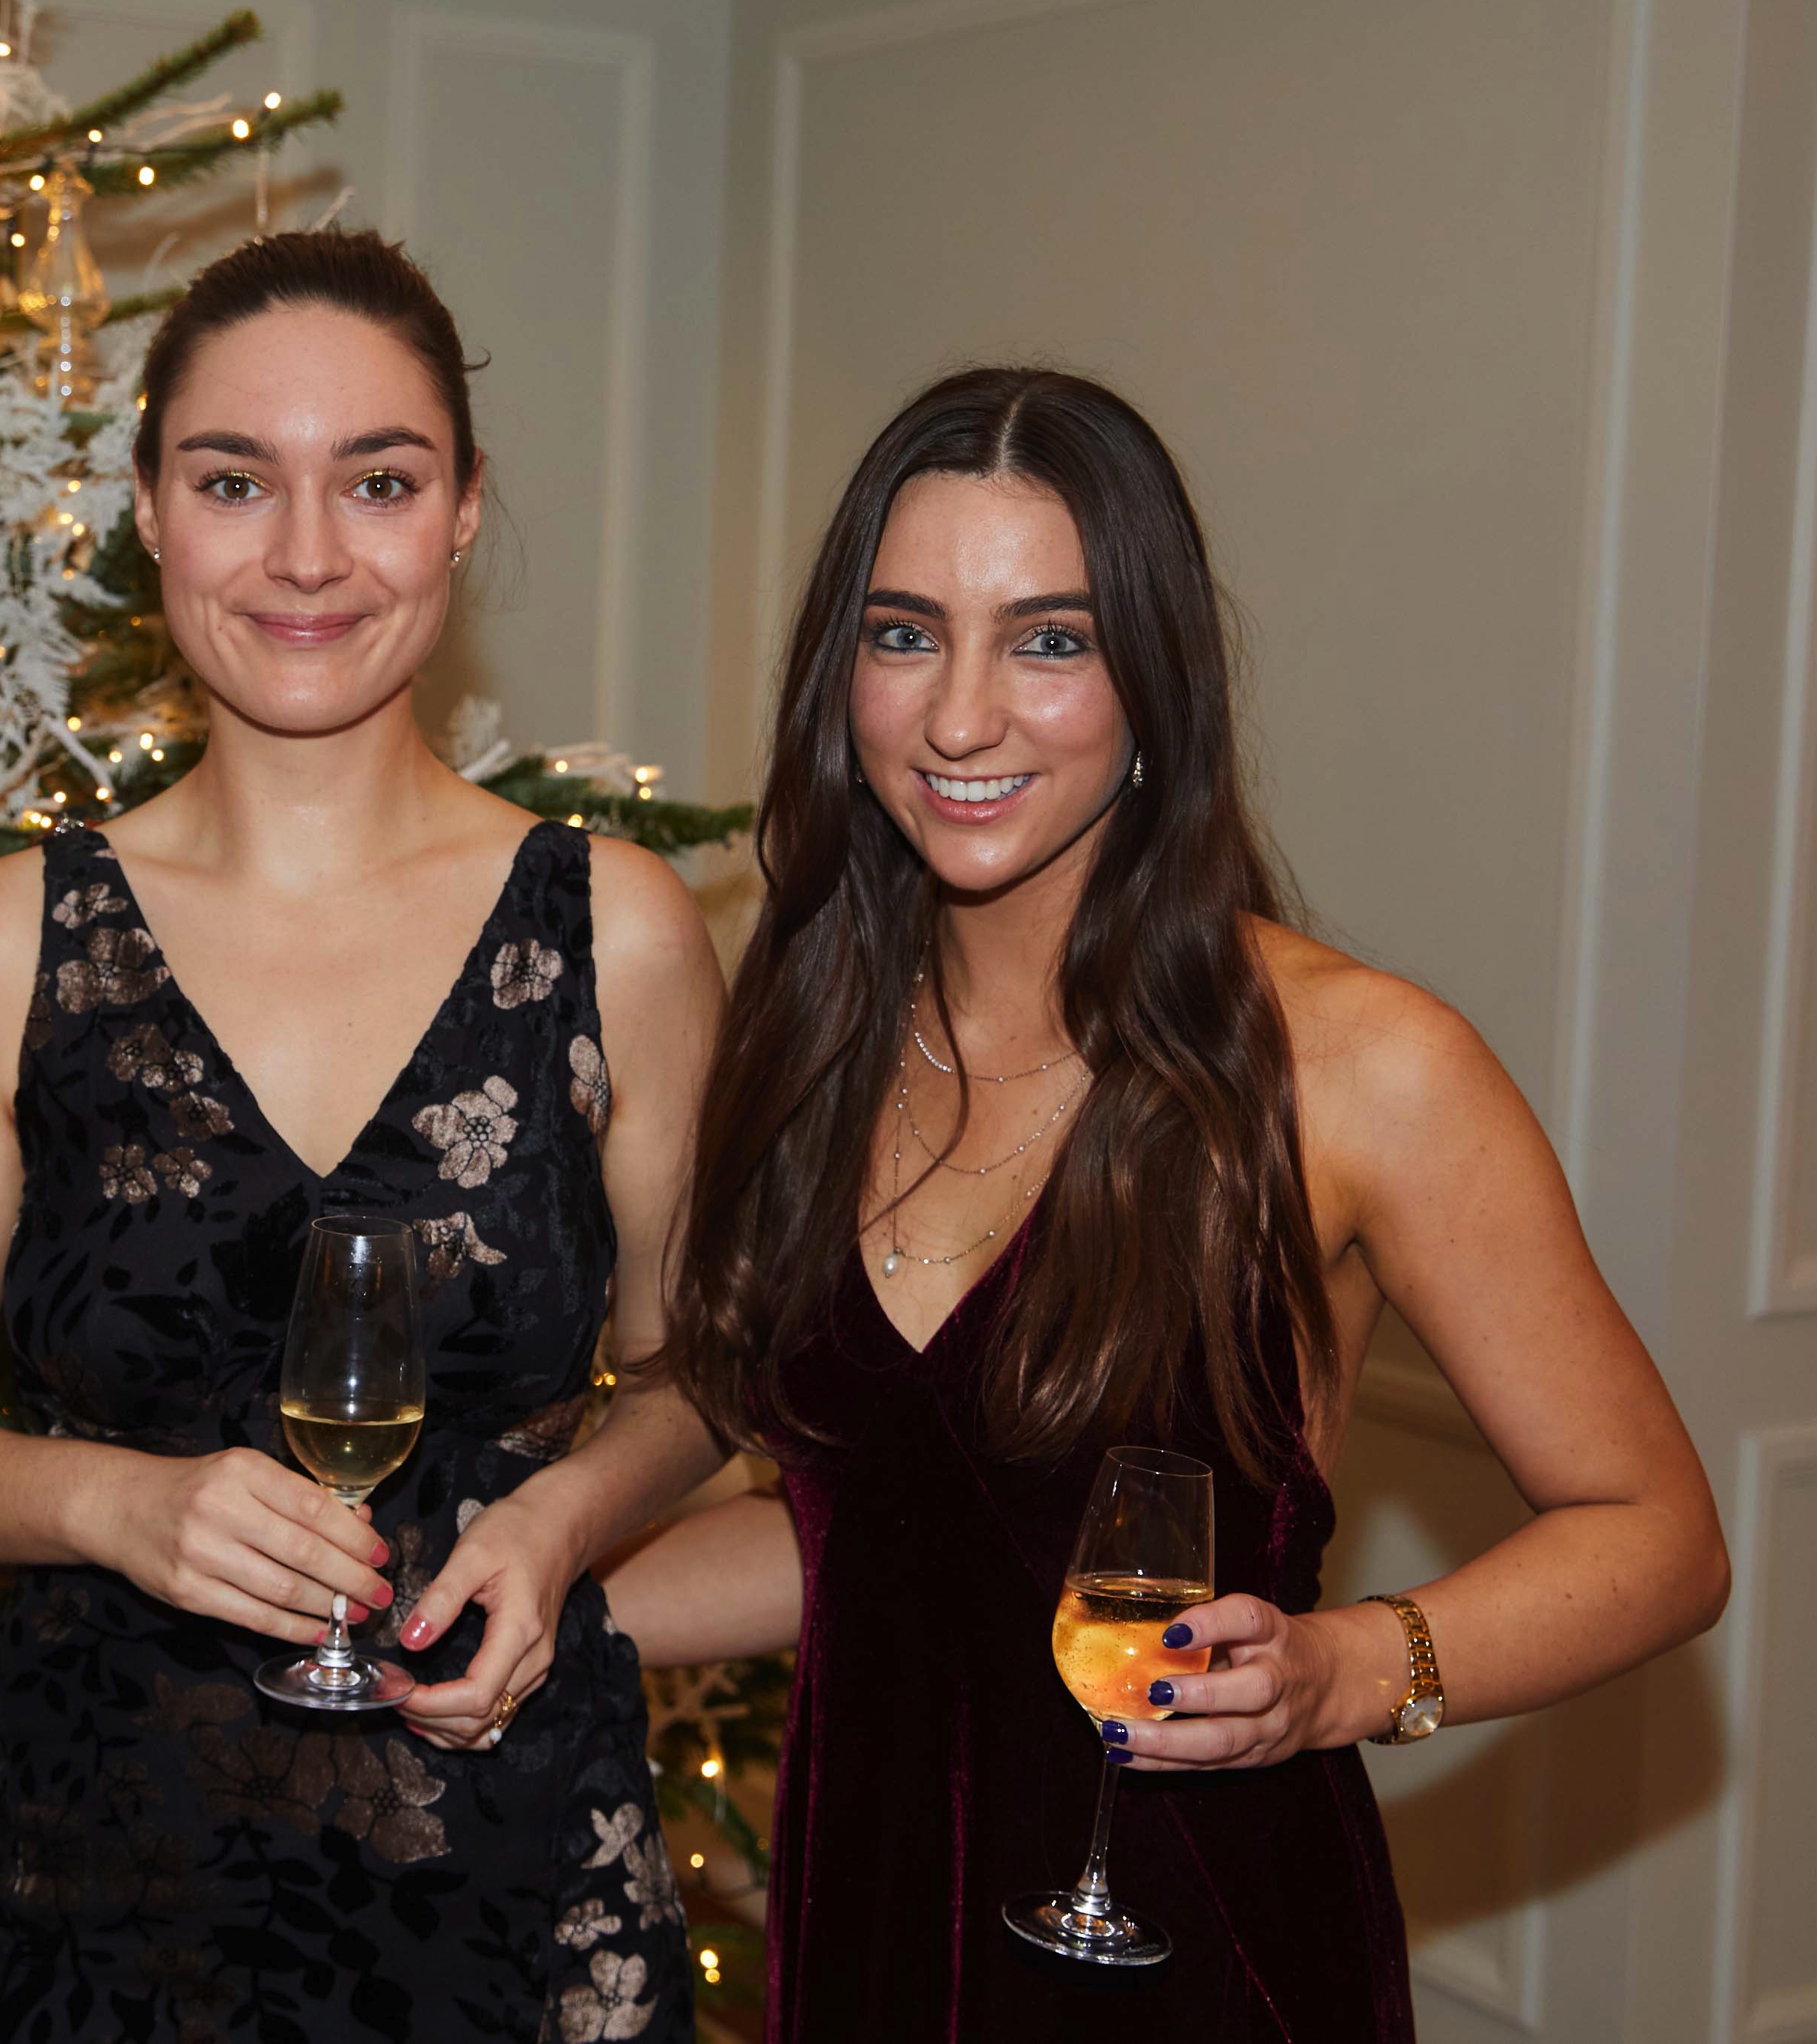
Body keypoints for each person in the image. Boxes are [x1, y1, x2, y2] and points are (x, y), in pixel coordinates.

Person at [615, 367, 1729, 2040]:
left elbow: (1659, 1534)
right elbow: (879, 1530)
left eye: (1048, 641)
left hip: (1189, 1952)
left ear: (1156, 678)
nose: (961, 717)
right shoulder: (819, 1028)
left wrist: (1347, 1670)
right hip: (868, 1928)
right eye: (906, 633)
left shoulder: (1357, 1066)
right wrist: (530, 1606)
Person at [0, 230, 729, 2042]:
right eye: (237, 481)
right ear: (150, 510)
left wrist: (560, 1521)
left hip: (515, 1865)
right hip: (101, 1885)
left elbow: (707, 1369)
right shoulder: (15, 941)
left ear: (464, 511)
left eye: (379, 481)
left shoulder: (614, 929)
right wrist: (113, 1500)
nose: (309, 554)